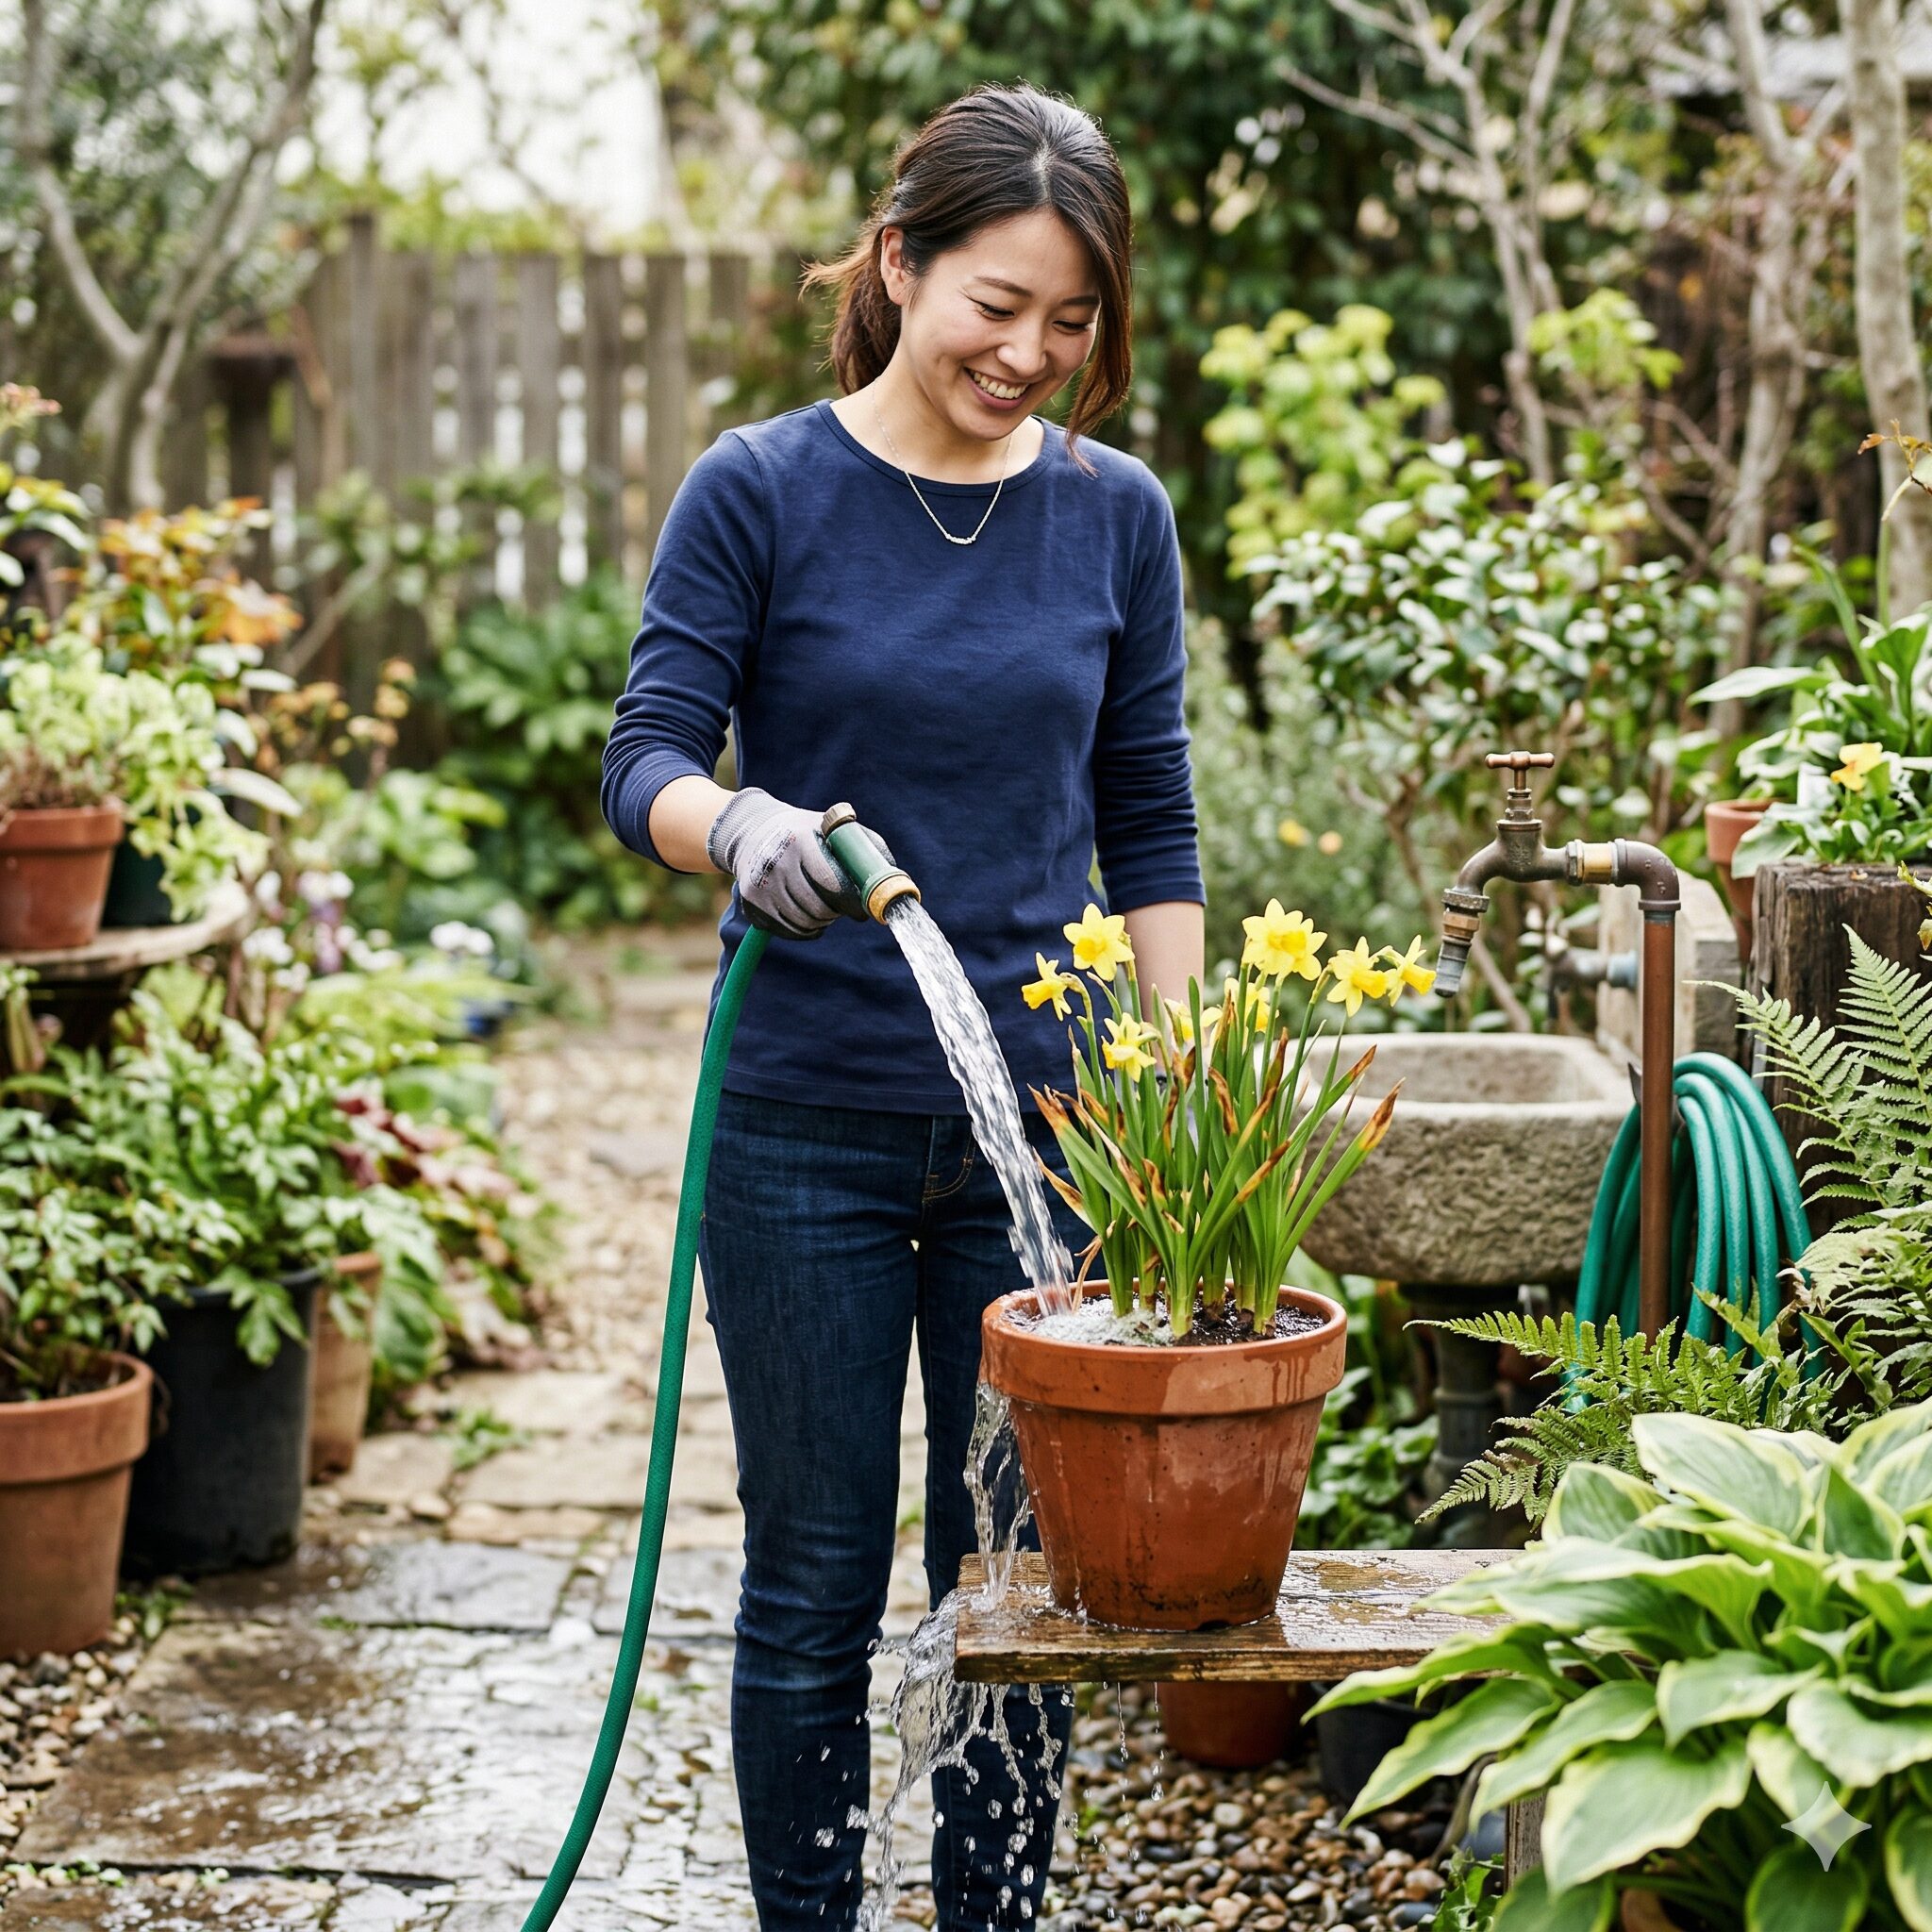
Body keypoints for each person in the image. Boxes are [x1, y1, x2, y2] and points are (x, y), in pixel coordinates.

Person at [601, 80, 1205, 1932]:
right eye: (994, 303)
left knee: (1013, 1580)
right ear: (898, 264)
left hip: (1043, 1118)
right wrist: (740, 825)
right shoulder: (761, 488)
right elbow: (642, 762)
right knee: (809, 1575)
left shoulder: (1116, 520)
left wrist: (1172, 1092)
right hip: (802, 1128)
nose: (1030, 351)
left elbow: (1150, 817)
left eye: (1073, 318)